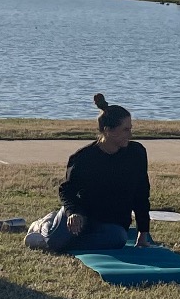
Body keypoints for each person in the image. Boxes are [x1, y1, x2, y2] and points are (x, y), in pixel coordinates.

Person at [41, 94, 154, 254]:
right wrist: (73, 212)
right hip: (82, 215)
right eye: (125, 130)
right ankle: (45, 225)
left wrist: (143, 235)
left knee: (117, 239)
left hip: (113, 222)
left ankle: (67, 241)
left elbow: (141, 194)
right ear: (107, 130)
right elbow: (67, 190)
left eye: (130, 129)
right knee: (54, 243)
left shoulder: (136, 153)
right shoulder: (83, 158)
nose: (130, 134)